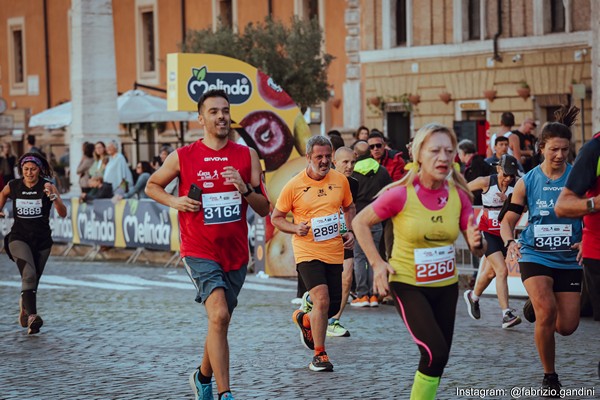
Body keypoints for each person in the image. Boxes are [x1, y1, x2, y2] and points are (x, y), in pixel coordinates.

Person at [145, 89, 270, 400]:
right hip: (199, 249)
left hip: (236, 254)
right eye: (214, 111)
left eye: (225, 110)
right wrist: (176, 201)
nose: (221, 116)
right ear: (201, 119)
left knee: (220, 319)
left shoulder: (247, 155)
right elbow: (151, 186)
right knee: (219, 315)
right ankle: (224, 393)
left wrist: (243, 189)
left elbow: (265, 207)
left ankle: (201, 376)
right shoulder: (183, 156)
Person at [353, 123, 485, 400]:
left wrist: (477, 243)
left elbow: (477, 249)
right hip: (407, 283)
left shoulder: (458, 195)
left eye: (449, 151)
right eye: (435, 150)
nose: (443, 157)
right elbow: (360, 222)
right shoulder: (401, 193)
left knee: (438, 359)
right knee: (434, 352)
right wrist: (377, 264)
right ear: (419, 155)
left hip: (446, 286)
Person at [500, 105, 582, 394]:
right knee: (547, 311)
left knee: (567, 326)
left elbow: (591, 216)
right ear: (541, 148)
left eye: (565, 150)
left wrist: (586, 239)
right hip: (535, 253)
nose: (559, 155)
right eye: (554, 150)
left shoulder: (578, 179)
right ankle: (550, 376)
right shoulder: (528, 181)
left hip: (570, 257)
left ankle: (533, 306)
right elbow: (508, 220)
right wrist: (510, 242)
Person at [271, 135, 355, 372]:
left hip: (334, 250)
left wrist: (349, 231)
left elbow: (349, 206)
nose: (324, 161)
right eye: (319, 156)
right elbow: (276, 218)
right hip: (307, 250)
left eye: (328, 156)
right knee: (322, 299)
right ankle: (320, 355)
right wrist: (295, 227)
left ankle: (306, 319)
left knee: (332, 304)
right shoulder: (294, 185)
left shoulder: (340, 180)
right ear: (308, 157)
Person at [0, 152, 67, 334]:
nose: (29, 173)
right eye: (26, 169)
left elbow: (63, 212)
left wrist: (53, 197)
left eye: (33, 169)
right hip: (18, 238)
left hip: (42, 241)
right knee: (28, 275)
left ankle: (25, 307)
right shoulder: (14, 185)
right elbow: (3, 194)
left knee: (32, 280)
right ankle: (33, 318)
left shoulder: (47, 186)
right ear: (21, 169)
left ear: (39, 169)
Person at [464, 154, 521, 328]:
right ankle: (506, 314)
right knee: (502, 271)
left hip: (504, 235)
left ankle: (472, 297)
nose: (507, 179)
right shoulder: (485, 182)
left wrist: (511, 202)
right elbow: (462, 191)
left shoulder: (518, 184)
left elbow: (526, 206)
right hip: (486, 232)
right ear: (498, 169)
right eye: (505, 175)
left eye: (511, 175)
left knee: (491, 273)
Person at [555, 130, 600, 322]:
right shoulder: (594, 150)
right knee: (566, 325)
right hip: (597, 252)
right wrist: (595, 204)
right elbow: (562, 206)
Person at [350, 141, 392, 307]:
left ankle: (362, 295)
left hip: (359, 218)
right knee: (374, 256)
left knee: (360, 257)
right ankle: (374, 295)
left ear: (355, 154)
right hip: (376, 217)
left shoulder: (352, 173)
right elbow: (389, 192)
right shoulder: (381, 170)